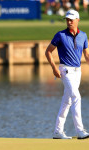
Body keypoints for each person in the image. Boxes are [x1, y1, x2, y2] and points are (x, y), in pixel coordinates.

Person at [45, 9, 89, 139]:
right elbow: (48, 51)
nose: (69, 22)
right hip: (65, 71)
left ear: (77, 20)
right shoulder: (60, 35)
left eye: (71, 19)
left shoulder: (84, 36)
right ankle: (80, 131)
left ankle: (58, 131)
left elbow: (86, 54)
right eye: (67, 19)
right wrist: (54, 68)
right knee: (76, 97)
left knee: (67, 101)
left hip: (78, 71)